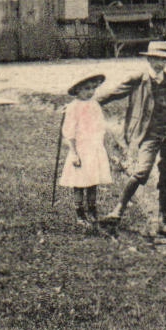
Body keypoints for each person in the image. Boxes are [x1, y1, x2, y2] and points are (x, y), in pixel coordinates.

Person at [97, 40, 166, 235]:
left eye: (163, 59)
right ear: (148, 59)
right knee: (142, 171)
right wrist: (88, 103)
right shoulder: (139, 79)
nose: (159, 63)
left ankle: (162, 219)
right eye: (155, 59)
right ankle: (117, 211)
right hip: (149, 134)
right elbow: (114, 92)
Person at [58, 73, 111, 228]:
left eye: (93, 88)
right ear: (77, 90)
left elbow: (100, 126)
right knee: (80, 182)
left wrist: (99, 144)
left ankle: (92, 210)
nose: (90, 92)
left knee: (93, 180)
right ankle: (80, 213)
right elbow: (69, 132)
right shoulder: (73, 107)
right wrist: (74, 153)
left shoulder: (94, 105)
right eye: (86, 89)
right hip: (80, 149)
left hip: (93, 147)